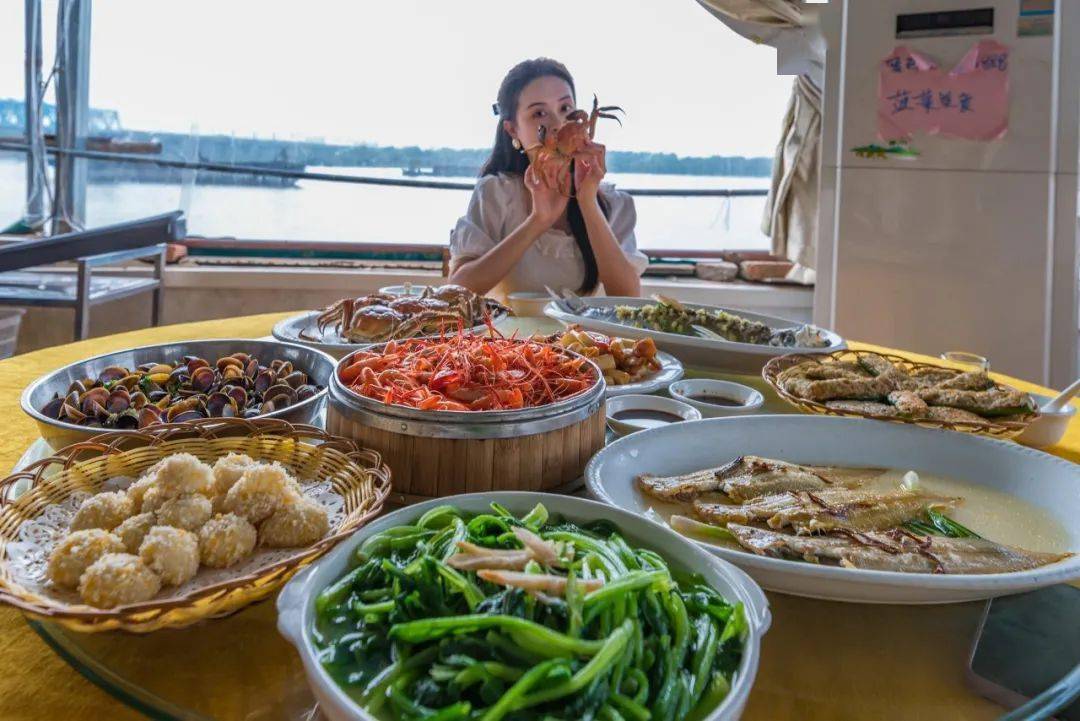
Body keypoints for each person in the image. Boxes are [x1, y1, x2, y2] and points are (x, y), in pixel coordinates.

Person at [448, 58, 647, 299]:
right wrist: (538, 220)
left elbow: (628, 298)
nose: (557, 124)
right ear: (513, 130)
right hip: (509, 336)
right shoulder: (497, 194)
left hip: (584, 337)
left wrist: (588, 202)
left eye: (565, 109)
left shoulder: (615, 204)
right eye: (539, 113)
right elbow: (457, 291)